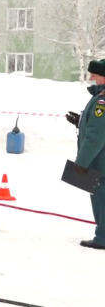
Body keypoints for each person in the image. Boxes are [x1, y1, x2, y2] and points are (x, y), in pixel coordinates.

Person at [66, 59, 105, 250]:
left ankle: (103, 238)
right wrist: (80, 121)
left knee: (101, 199)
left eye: (95, 76)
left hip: (100, 162)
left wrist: (82, 162)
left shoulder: (102, 101)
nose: (91, 78)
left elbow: (96, 136)